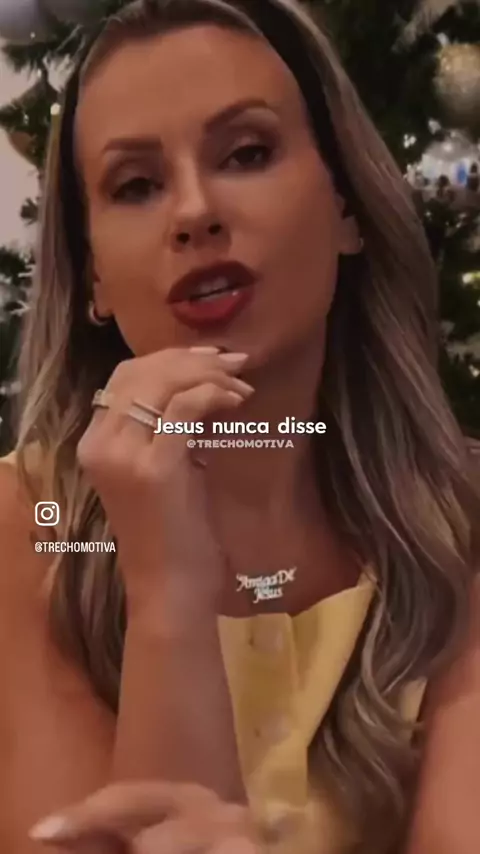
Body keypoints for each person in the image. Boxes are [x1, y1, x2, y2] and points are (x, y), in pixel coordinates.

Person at [0, 0, 478, 852]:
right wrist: (169, 596)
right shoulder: (24, 526)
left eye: (247, 153)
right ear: (94, 274)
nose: (194, 211)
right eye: (136, 186)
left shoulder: (459, 519)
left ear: (346, 205)